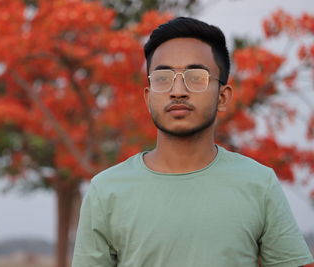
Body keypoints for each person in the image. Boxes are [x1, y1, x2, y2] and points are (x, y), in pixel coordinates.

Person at [71, 17, 314, 267]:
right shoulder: (106, 191)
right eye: (163, 77)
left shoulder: (259, 185)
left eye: (196, 77)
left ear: (222, 97)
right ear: (148, 97)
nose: (177, 90)